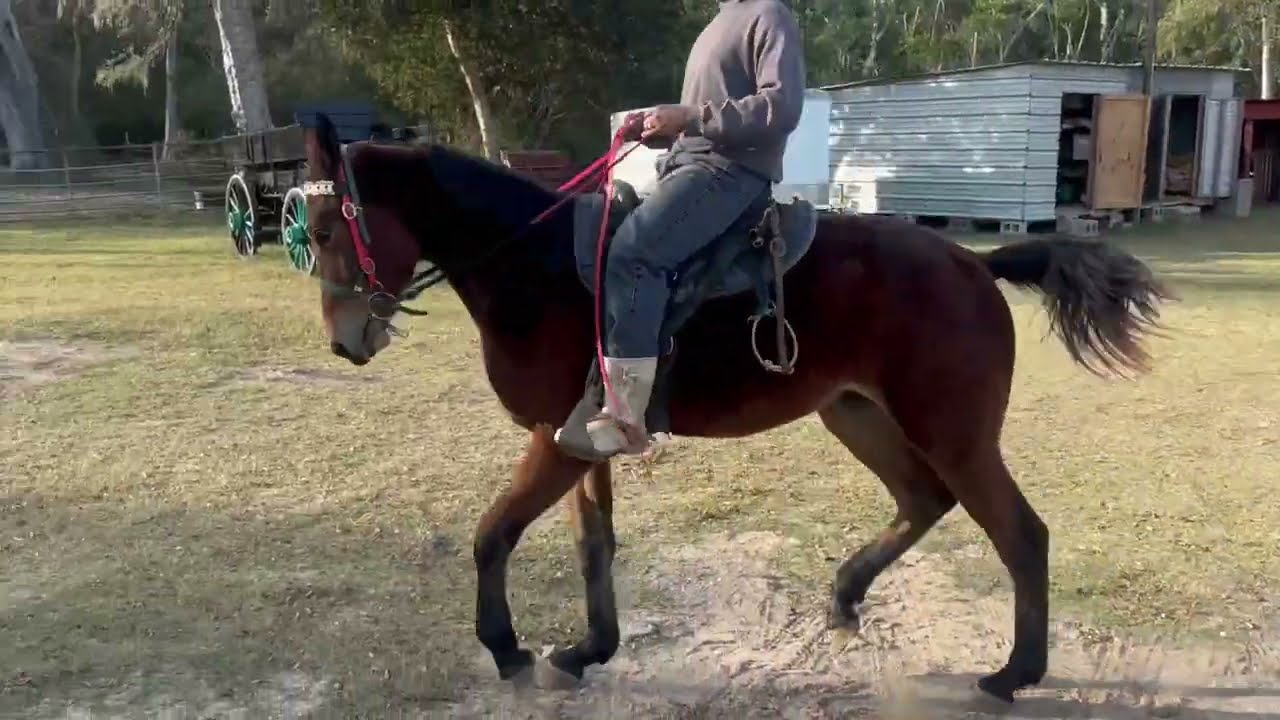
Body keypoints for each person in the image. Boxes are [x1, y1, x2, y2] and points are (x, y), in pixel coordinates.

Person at [554, 0, 807, 461]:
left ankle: (626, 417)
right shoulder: (718, 22)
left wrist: (690, 117)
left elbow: (781, 106)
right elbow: (706, 118)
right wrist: (663, 129)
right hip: (688, 164)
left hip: (729, 171)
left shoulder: (768, 13)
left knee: (635, 253)